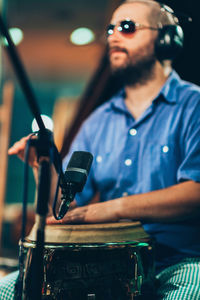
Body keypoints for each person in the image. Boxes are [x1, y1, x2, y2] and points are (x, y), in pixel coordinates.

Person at [2, 0, 200, 299]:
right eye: (110, 28)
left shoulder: (193, 105)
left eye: (128, 27)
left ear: (166, 38)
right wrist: (42, 165)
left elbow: (195, 191)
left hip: (176, 260)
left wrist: (110, 208)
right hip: (104, 262)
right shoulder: (98, 121)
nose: (113, 36)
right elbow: (64, 204)